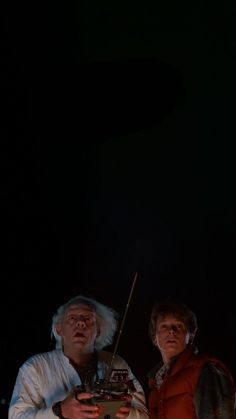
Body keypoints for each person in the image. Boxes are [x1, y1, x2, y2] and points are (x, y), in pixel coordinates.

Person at [9, 295, 148, 419]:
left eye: (88, 318)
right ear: (59, 329)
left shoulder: (117, 364)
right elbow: (16, 416)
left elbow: (143, 414)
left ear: (98, 331)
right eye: (72, 318)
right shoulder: (34, 367)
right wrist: (60, 411)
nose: (80, 323)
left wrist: (128, 413)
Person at [147, 298, 236, 419]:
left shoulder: (207, 370)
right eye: (164, 326)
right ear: (154, 337)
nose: (171, 331)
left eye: (178, 326)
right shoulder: (155, 383)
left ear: (191, 335)